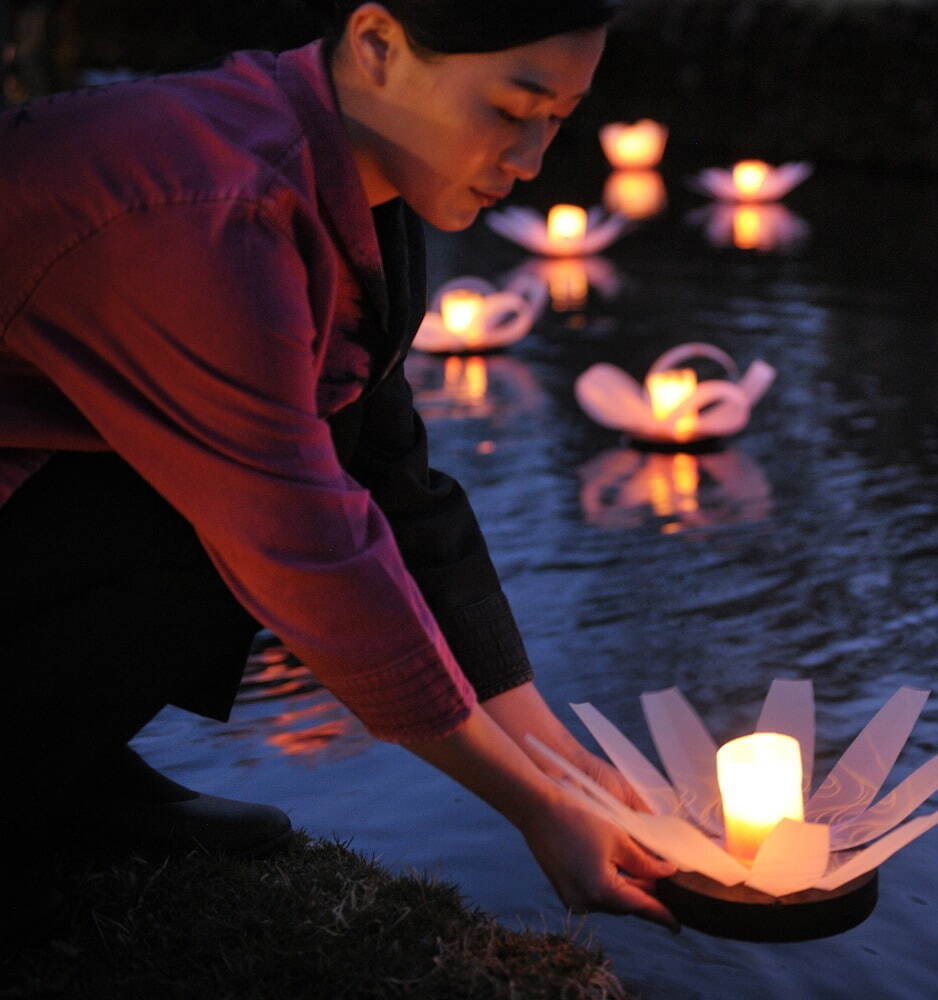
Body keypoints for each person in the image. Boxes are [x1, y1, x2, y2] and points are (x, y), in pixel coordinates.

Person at [0, 0, 678, 932]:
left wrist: (561, 766)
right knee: (241, 515)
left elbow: (396, 480)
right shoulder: (215, 207)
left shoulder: (354, 181)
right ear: (377, 45)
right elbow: (310, 541)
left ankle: (67, 766)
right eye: (512, 111)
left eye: (558, 119)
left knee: (324, 454)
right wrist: (534, 810)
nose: (530, 162)